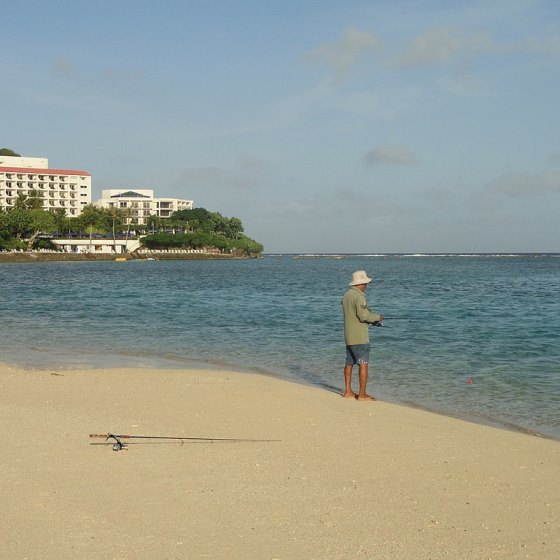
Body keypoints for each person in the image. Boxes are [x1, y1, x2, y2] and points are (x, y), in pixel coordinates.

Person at [341, 270, 384, 400]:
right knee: (363, 363)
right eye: (365, 283)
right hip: (359, 337)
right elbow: (363, 315)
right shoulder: (359, 296)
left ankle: (347, 391)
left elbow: (354, 315)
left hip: (348, 336)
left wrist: (371, 321)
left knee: (349, 363)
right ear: (361, 283)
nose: (366, 286)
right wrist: (377, 317)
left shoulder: (346, 295)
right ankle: (362, 394)